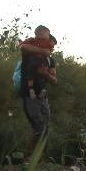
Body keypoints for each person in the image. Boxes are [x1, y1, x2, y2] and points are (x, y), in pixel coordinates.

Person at [19, 26, 58, 160]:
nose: (51, 47)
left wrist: (45, 74)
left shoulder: (51, 60)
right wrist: (43, 51)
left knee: (45, 127)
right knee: (39, 127)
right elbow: (22, 47)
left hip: (42, 95)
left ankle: (41, 159)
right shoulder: (29, 48)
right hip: (29, 94)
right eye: (41, 37)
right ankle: (28, 159)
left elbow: (54, 80)